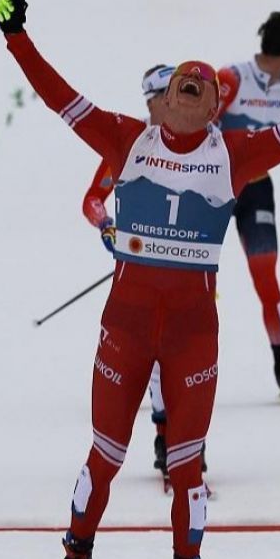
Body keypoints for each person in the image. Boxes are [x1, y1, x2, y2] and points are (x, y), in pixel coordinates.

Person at [0, 0, 280, 559]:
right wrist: (15, 35)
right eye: (180, 83)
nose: (189, 88)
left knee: (187, 466)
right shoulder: (124, 137)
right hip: (126, 330)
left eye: (201, 86)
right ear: (164, 98)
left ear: (216, 108)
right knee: (104, 456)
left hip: (192, 339)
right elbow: (58, 96)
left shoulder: (235, 155)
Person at [81, 64, 208, 479]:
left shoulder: (202, 141)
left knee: (183, 354)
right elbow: (92, 200)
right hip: (138, 265)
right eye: (156, 100)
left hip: (187, 271)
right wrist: (106, 225)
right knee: (152, 357)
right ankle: (163, 435)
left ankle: (184, 442)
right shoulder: (131, 142)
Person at [216, 11, 280, 397]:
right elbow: (200, 127)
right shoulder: (231, 78)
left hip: (257, 188)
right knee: (191, 278)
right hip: (216, 189)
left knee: (266, 276)